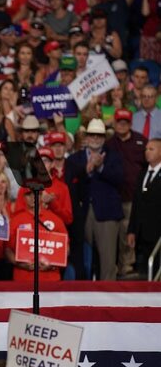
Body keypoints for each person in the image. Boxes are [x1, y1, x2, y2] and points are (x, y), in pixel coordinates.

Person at [65, 119, 124, 280]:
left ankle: (108, 294)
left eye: (99, 135)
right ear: (86, 136)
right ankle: (85, 293)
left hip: (107, 214)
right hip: (81, 215)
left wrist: (101, 167)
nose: (95, 138)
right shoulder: (74, 159)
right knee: (84, 259)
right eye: (92, 135)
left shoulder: (114, 156)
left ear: (104, 138)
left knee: (107, 261)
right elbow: (69, 182)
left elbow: (119, 179)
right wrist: (87, 169)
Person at [106, 109, 146, 278]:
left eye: (125, 122)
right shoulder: (108, 144)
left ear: (130, 124)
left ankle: (127, 266)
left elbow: (148, 166)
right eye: (119, 122)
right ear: (114, 123)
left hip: (133, 196)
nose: (122, 125)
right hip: (113, 197)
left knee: (128, 232)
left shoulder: (141, 141)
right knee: (112, 236)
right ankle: (114, 269)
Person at [128, 139, 161, 277]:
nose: (147, 152)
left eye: (151, 149)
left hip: (158, 234)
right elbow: (136, 204)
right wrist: (131, 230)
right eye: (146, 149)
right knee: (143, 273)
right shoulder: (142, 173)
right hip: (141, 234)